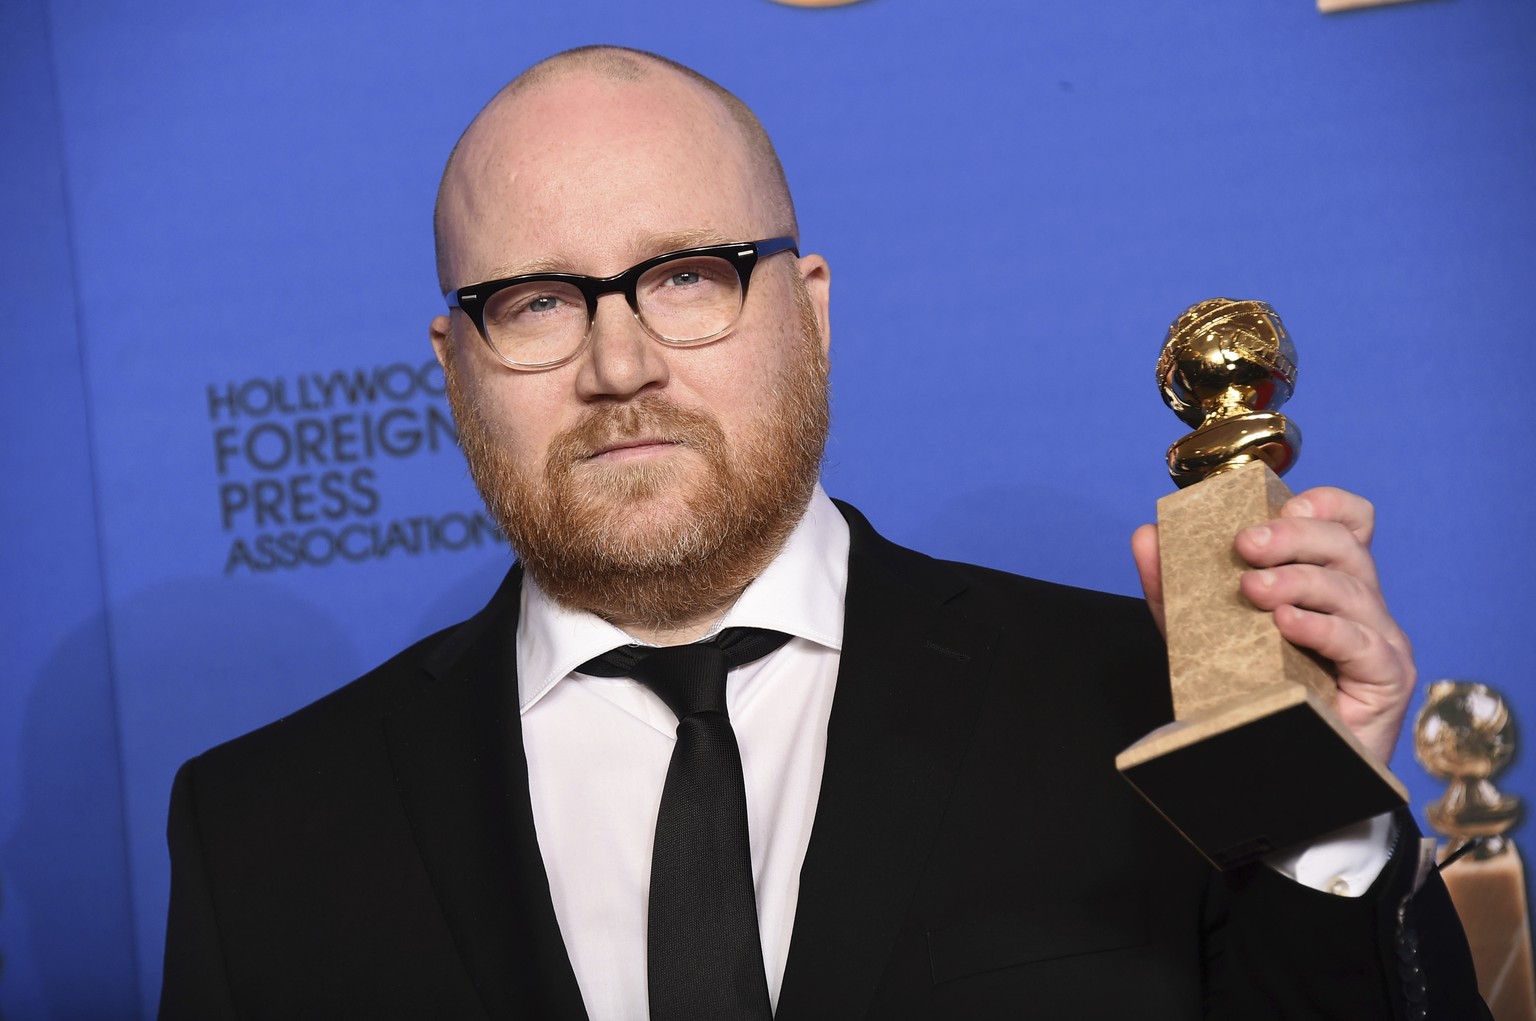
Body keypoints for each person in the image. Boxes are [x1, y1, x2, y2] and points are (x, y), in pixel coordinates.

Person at [159, 45, 1485, 1020]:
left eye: (689, 276)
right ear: (454, 367)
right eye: (538, 301)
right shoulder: (263, 831)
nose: (620, 362)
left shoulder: (1144, 707)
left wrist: (1317, 805)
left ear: (811, 310)